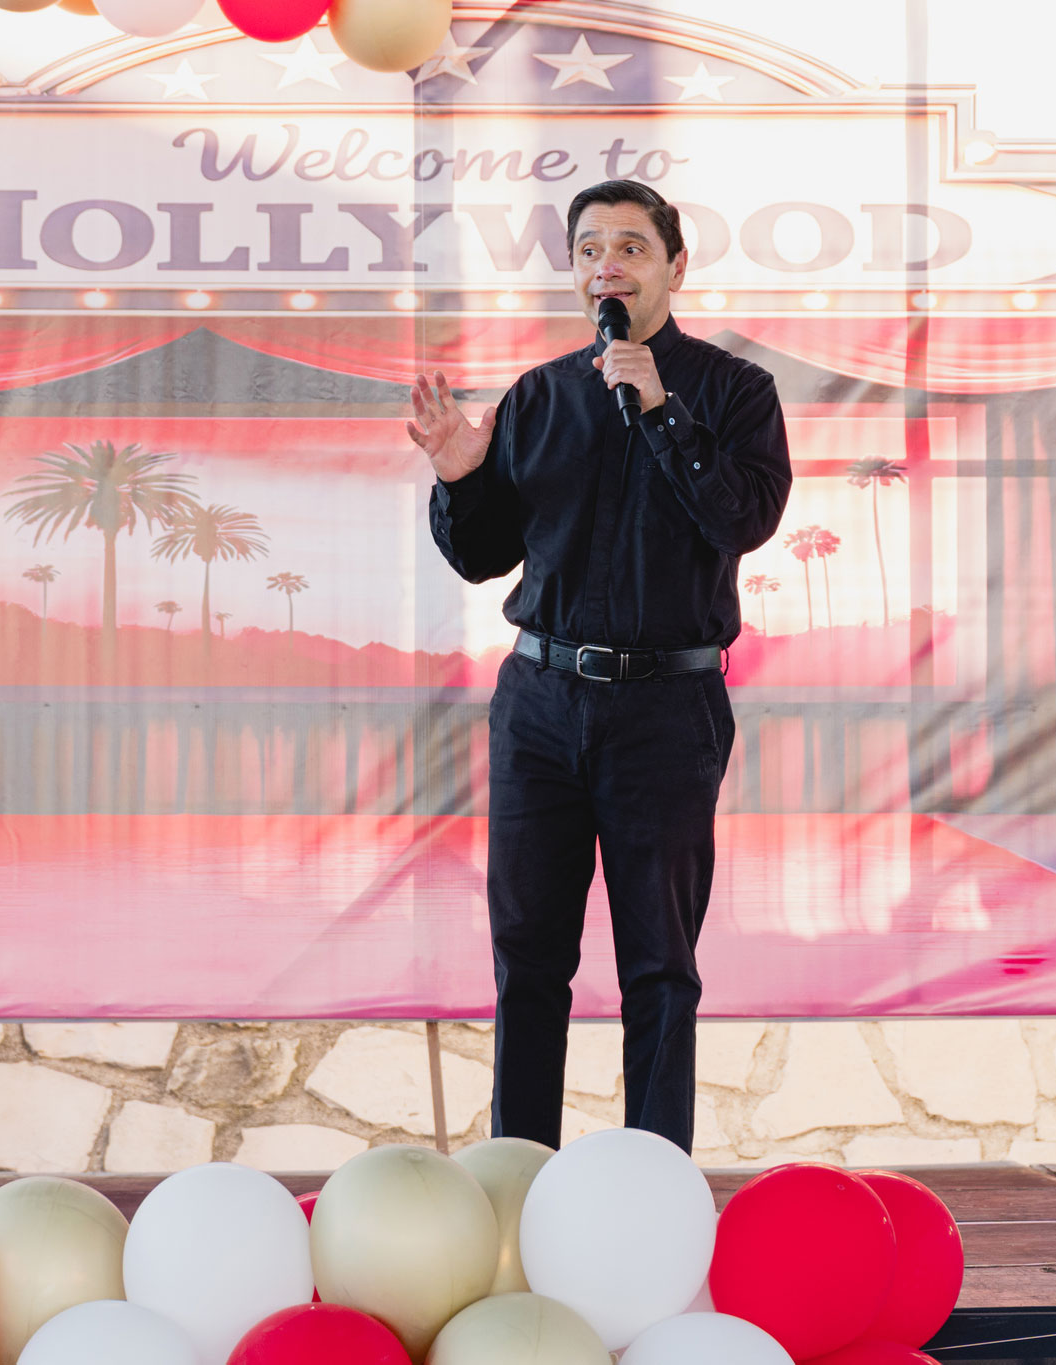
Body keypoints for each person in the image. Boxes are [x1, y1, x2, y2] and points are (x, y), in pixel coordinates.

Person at [409, 179, 792, 1152]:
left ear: (674, 266)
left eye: (629, 247)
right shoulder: (539, 396)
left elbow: (743, 520)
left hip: (666, 709)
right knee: (527, 958)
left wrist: (661, 413)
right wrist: (458, 480)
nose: (606, 266)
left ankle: (649, 1186)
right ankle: (518, 1176)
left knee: (658, 965)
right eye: (588, 250)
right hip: (540, 706)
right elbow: (483, 556)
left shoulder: (735, 393)